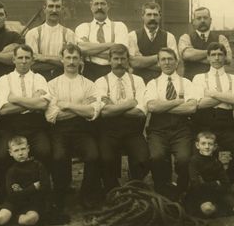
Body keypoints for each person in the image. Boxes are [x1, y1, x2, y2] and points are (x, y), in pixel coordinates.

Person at [45, 43, 102, 214]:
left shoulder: (89, 85)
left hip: (83, 130)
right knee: (59, 156)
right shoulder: (52, 84)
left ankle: (86, 195)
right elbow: (52, 115)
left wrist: (67, 106)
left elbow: (93, 111)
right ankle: (60, 195)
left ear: (81, 60)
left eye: (75, 58)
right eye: (68, 57)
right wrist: (79, 108)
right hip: (59, 131)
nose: (71, 61)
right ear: (61, 59)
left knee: (93, 155)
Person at [0, 44, 52, 203]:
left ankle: (42, 196)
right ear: (13, 59)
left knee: (45, 151)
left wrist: (15, 99)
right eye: (20, 57)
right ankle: (4, 197)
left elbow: (43, 105)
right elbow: (4, 110)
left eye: (27, 58)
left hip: (35, 125)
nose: (23, 61)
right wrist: (31, 101)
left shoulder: (39, 78)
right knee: (1, 155)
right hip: (10, 126)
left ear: (33, 60)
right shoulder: (4, 79)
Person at [144, 47, 202, 200]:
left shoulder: (186, 82)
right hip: (158, 130)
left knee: (184, 158)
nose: (167, 62)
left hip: (181, 129)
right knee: (156, 156)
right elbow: (151, 107)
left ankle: (182, 189)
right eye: (163, 59)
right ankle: (161, 189)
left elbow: (191, 107)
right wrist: (177, 101)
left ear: (177, 62)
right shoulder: (152, 84)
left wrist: (163, 106)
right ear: (158, 63)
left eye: (170, 59)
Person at [95, 44, 150, 192]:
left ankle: (134, 186)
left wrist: (115, 107)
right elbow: (104, 112)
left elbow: (140, 111)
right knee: (106, 159)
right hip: (109, 131)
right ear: (109, 60)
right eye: (116, 59)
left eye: (123, 59)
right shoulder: (100, 82)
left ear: (128, 60)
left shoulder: (137, 81)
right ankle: (113, 191)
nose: (119, 62)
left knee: (143, 158)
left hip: (133, 131)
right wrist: (131, 103)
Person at [192, 42, 234, 184]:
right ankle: (204, 187)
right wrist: (227, 96)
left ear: (225, 57)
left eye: (220, 54)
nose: (217, 58)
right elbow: (199, 103)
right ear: (208, 58)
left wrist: (211, 93)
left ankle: (225, 183)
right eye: (213, 55)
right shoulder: (199, 78)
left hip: (226, 127)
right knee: (196, 156)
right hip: (203, 126)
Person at [184, 131, 234, 217]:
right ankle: (222, 207)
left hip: (219, 193)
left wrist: (214, 185)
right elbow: (196, 185)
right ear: (197, 145)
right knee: (207, 209)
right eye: (203, 144)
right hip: (202, 194)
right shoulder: (194, 161)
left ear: (215, 147)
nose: (207, 147)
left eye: (210, 144)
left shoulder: (216, 162)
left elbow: (225, 183)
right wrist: (215, 183)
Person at [0, 136, 51, 226]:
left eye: (23, 149)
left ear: (28, 149)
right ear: (10, 153)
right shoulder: (11, 171)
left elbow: (45, 187)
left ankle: (13, 219)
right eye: (16, 150)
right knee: (0, 219)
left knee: (31, 219)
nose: (20, 153)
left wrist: (23, 191)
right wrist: (33, 187)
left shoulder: (38, 166)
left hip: (32, 202)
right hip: (13, 202)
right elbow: (12, 194)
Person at [75, 0, 129, 81]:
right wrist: (110, 45)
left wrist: (90, 49)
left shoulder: (119, 26)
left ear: (108, 6)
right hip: (90, 72)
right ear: (91, 7)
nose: (99, 7)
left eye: (103, 4)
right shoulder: (83, 27)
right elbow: (81, 49)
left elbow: (120, 52)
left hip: (112, 70)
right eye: (96, 4)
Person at [25, 0, 76, 81]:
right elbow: (33, 60)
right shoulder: (32, 33)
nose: (54, 10)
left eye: (58, 7)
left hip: (63, 78)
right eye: (51, 6)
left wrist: (44, 58)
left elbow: (71, 60)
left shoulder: (69, 34)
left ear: (62, 9)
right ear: (44, 9)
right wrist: (59, 59)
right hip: (39, 78)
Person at [128, 2, 178, 84]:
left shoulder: (169, 37)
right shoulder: (132, 36)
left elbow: (173, 64)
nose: (152, 18)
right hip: (139, 82)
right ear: (142, 16)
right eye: (149, 15)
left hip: (162, 82)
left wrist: (142, 62)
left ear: (160, 16)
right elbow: (134, 62)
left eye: (155, 15)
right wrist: (161, 57)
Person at [178, 7, 232, 81]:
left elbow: (228, 58)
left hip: (216, 81)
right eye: (199, 18)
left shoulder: (221, 38)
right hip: (191, 81)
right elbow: (187, 55)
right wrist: (215, 53)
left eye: (205, 18)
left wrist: (194, 58)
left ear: (210, 20)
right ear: (193, 21)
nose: (202, 21)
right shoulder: (185, 37)